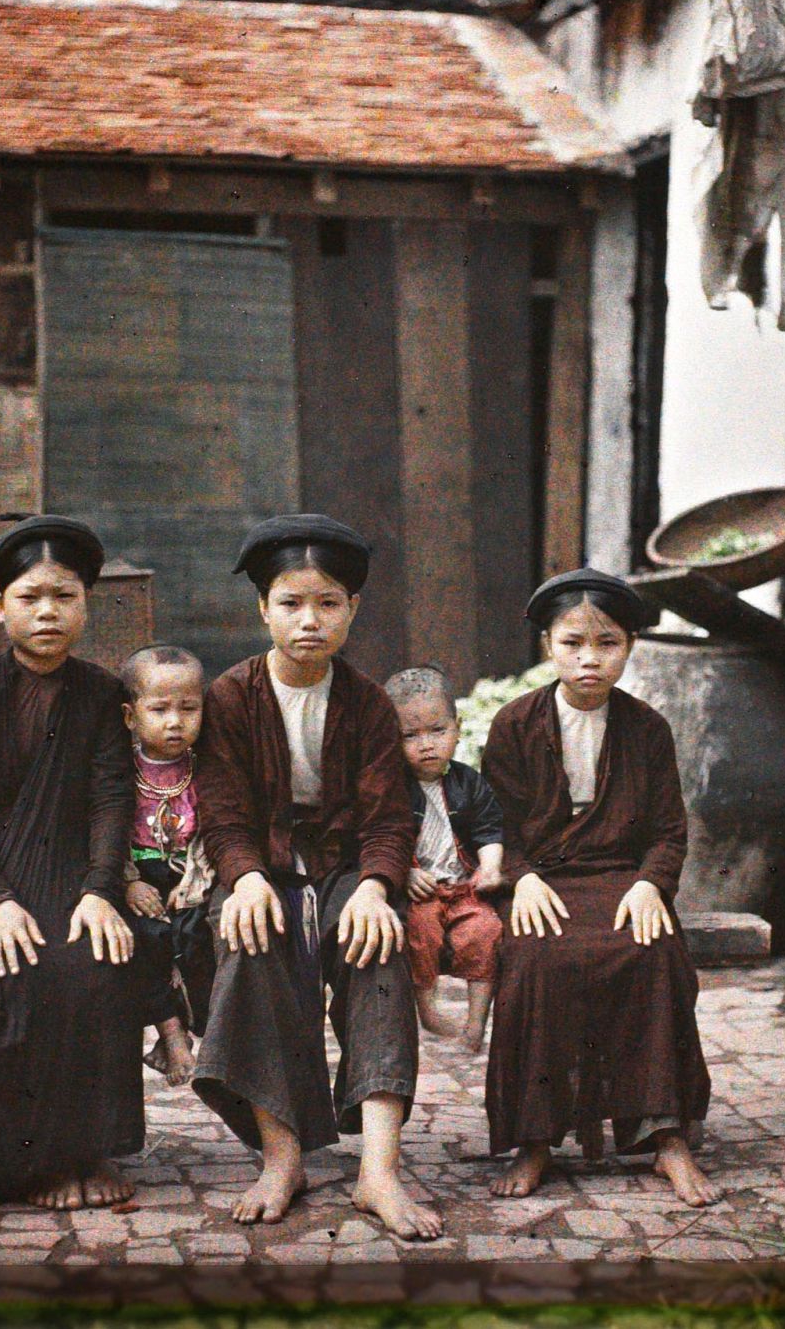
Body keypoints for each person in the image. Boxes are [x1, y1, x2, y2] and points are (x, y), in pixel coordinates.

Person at [190, 514, 442, 1240]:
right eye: (291, 603)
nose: (310, 621)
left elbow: (389, 818)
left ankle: (379, 1171)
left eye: (328, 603)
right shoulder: (230, 697)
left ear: (352, 610)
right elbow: (223, 813)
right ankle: (282, 1156)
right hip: (260, 864)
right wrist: (243, 879)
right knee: (250, 941)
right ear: (262, 610)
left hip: (345, 863)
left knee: (378, 948)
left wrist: (376, 887)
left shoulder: (366, 702)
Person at [481, 569, 720, 1207]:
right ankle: (535, 1139)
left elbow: (667, 831)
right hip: (543, 879)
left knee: (653, 952)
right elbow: (495, 824)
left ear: (630, 646)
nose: (590, 658)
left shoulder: (647, 729)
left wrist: (649, 885)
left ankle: (665, 1135)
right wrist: (522, 878)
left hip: (620, 878)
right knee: (535, 958)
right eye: (572, 642)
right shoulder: (514, 725)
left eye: (607, 642)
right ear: (547, 646)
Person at [0, 514, 144, 1209]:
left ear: (86, 604)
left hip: (76, 876)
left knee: (96, 965)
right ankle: (40, 1161)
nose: (48, 612)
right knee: (19, 971)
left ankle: (94, 1151)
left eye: (65, 596)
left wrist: (100, 890)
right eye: (30, 597)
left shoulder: (103, 694)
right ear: (1, 607)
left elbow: (112, 798)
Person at [383, 665, 507, 1053]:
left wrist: (490, 866)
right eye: (410, 735)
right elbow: (381, 836)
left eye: (438, 731)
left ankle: (476, 1023)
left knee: (486, 932)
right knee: (421, 934)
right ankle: (429, 1010)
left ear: (457, 728)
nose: (427, 745)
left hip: (464, 886)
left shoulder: (469, 782)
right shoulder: (392, 787)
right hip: (422, 891)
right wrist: (404, 872)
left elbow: (489, 829)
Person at [117, 642, 215, 1085]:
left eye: (188, 708)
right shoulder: (121, 770)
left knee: (198, 937)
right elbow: (107, 830)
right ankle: (171, 1034)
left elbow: (213, 830)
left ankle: (197, 1028)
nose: (175, 721)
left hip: (190, 875)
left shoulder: (205, 768)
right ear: (130, 716)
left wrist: (194, 880)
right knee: (145, 939)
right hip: (139, 876)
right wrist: (128, 882)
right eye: (159, 709)